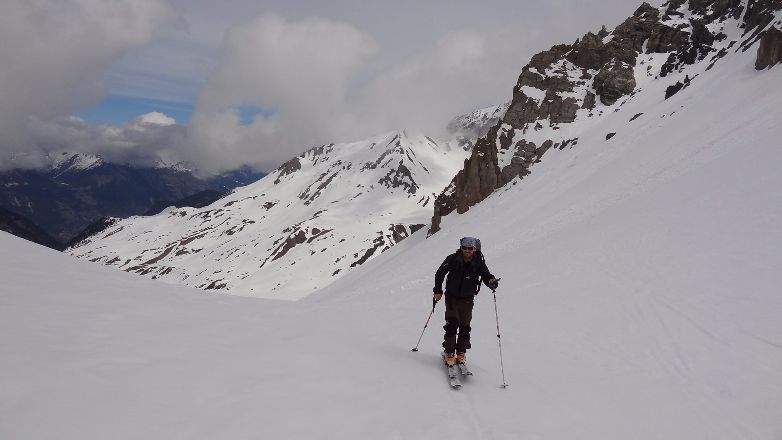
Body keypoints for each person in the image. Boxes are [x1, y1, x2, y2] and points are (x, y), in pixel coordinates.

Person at [433, 237, 497, 366]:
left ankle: (461, 352)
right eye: (465, 248)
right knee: (452, 323)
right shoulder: (452, 259)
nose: (467, 250)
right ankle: (449, 353)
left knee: (465, 326)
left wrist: (491, 281)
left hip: (467, 299)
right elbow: (440, 273)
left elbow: (486, 276)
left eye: (470, 248)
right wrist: (438, 290)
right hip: (451, 296)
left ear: (474, 249)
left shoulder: (479, 262)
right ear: (461, 247)